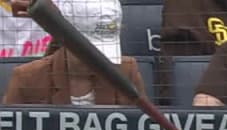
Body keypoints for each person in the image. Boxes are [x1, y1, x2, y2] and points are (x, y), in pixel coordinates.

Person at [2, 0, 146, 106]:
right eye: (89, 51)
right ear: (67, 38)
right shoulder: (27, 79)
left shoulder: (127, 72)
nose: (98, 60)